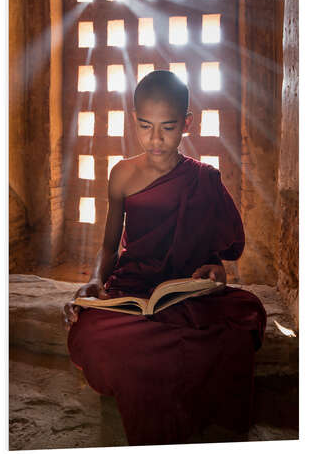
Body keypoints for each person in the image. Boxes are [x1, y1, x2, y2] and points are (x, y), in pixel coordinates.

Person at [63, 70, 266, 446]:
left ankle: (152, 371)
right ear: (134, 121)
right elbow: (109, 246)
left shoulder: (202, 179)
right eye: (145, 126)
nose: (155, 139)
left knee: (246, 312)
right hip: (134, 287)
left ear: (187, 124)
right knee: (87, 332)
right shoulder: (122, 174)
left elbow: (214, 254)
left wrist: (215, 269)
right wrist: (95, 280)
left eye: (168, 128)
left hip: (183, 291)